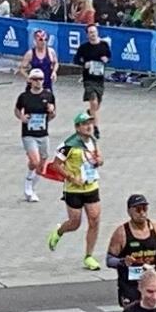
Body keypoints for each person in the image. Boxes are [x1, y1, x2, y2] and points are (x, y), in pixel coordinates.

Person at [46, 107, 106, 271]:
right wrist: (71, 177)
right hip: (74, 189)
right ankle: (59, 231)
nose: (89, 126)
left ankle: (89, 256)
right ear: (77, 127)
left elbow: (99, 157)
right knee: (75, 222)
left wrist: (99, 160)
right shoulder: (68, 145)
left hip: (91, 185)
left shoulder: (92, 141)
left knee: (94, 220)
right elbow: (55, 165)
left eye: (90, 123)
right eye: (85, 124)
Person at [108, 195, 156, 309]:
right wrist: (122, 261)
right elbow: (109, 259)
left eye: (144, 208)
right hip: (130, 286)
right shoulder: (121, 233)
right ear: (129, 211)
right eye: (138, 209)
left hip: (150, 285)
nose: (142, 213)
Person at [14, 66, 57, 205]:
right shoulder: (24, 96)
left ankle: (32, 187)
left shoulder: (48, 95)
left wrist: (51, 112)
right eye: (35, 79)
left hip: (43, 133)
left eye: (41, 79)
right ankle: (28, 184)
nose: (38, 82)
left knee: (42, 163)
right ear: (30, 81)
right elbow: (16, 110)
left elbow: (53, 115)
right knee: (35, 161)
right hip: (28, 134)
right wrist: (22, 117)